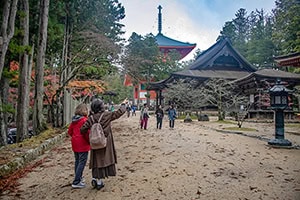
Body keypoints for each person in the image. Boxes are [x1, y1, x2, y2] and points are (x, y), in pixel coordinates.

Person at [80, 99, 126, 190]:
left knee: (96, 161)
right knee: (105, 159)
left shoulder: (91, 118)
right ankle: (100, 181)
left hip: (95, 143)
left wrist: (91, 135)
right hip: (105, 141)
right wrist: (123, 104)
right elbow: (120, 112)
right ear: (101, 107)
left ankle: (96, 179)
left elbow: (82, 129)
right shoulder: (107, 115)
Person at [68, 103, 90, 189]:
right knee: (82, 162)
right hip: (83, 144)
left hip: (75, 143)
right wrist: (89, 141)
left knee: (77, 161)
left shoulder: (74, 121)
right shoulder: (84, 120)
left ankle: (78, 178)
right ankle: (76, 181)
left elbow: (69, 132)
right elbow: (87, 133)